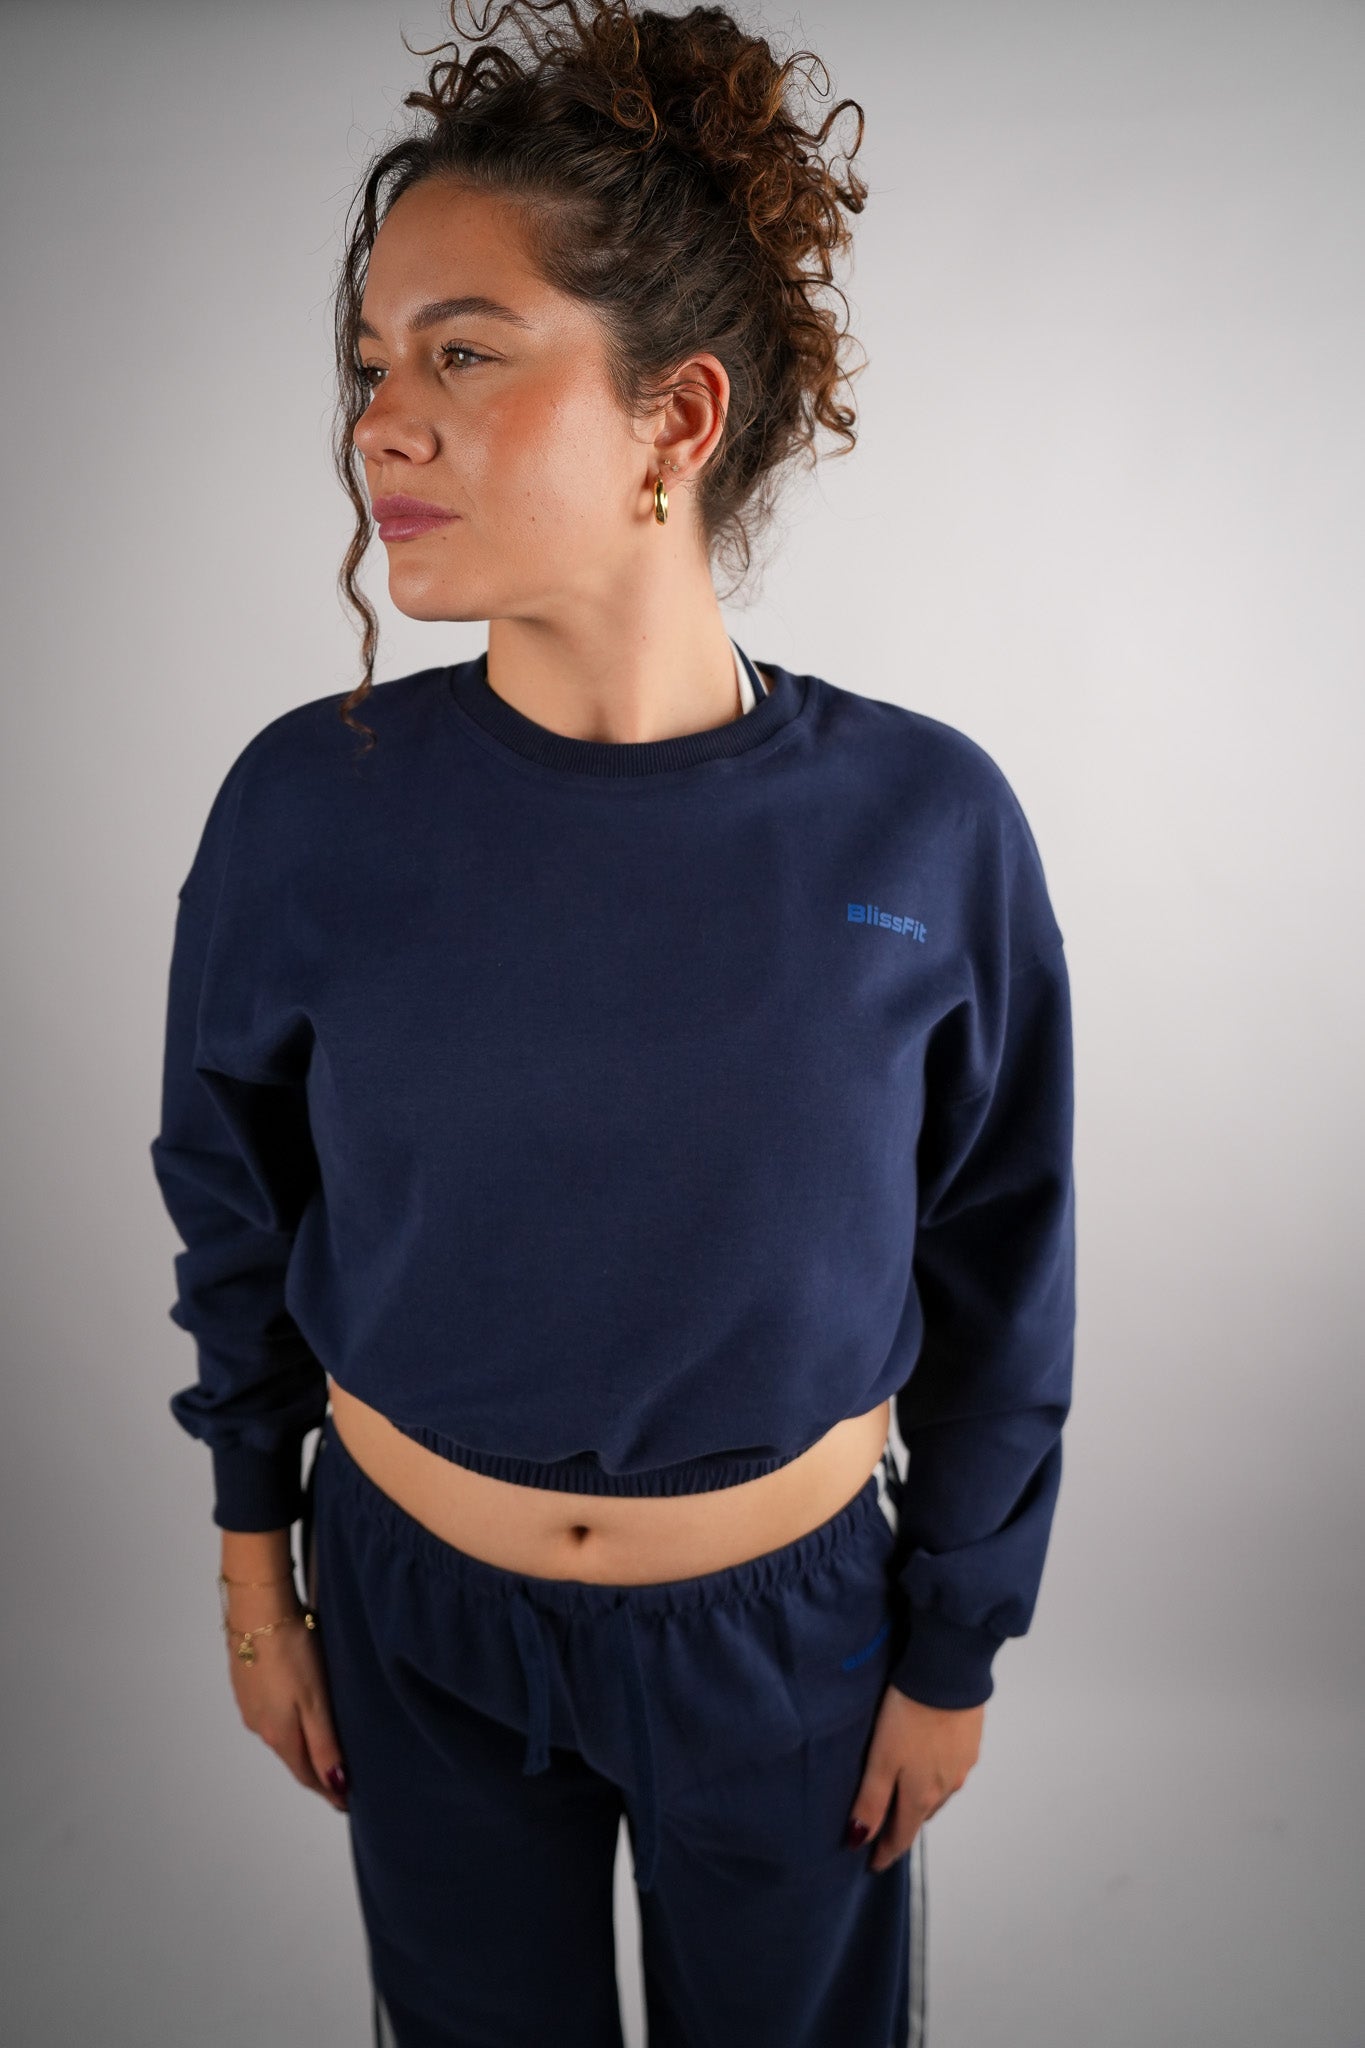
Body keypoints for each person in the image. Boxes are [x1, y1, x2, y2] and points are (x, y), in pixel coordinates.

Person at [148, 4, 1076, 2043]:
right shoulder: (307, 806)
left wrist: (952, 1649)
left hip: (789, 1643)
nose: (382, 425)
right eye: (371, 366)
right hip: (413, 1614)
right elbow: (233, 1208)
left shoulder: (923, 824)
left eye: (464, 354)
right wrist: (255, 1580)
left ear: (676, 416)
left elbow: (1000, 1261)